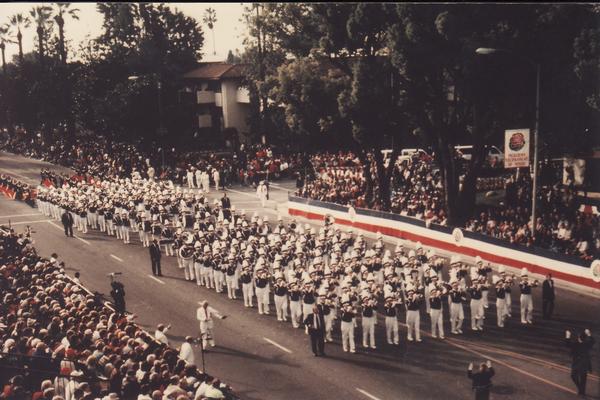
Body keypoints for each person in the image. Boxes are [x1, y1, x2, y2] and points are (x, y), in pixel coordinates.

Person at [565, 329, 595, 396]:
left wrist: (568, 335)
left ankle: (580, 389)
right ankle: (582, 391)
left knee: (573, 376)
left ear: (579, 338)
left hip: (576, 363)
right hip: (585, 363)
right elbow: (593, 341)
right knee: (583, 379)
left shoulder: (576, 344)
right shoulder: (587, 344)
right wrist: (589, 333)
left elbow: (567, 344)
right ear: (585, 338)